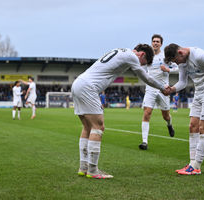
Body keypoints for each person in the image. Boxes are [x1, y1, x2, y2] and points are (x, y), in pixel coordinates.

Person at [71, 44, 170, 179]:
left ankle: (83, 167)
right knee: (98, 127)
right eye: (143, 63)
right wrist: (162, 87)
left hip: (78, 83)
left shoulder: (119, 50)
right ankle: (93, 170)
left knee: (87, 127)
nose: (140, 65)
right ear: (142, 55)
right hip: (88, 87)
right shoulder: (132, 57)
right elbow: (146, 78)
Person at [163, 43, 204, 175]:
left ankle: (196, 166)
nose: (177, 63)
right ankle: (192, 163)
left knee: (203, 128)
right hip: (198, 93)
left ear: (180, 52)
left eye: (176, 60)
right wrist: (172, 89)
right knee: (192, 126)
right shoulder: (182, 62)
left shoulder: (200, 56)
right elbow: (183, 82)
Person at [139, 34, 178, 150]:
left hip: (163, 89)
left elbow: (178, 68)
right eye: (154, 41)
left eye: (158, 41)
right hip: (150, 88)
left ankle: (169, 124)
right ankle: (144, 142)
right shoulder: (148, 56)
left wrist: (168, 70)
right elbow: (142, 68)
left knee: (165, 115)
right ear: (151, 43)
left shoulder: (165, 56)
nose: (155, 43)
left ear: (161, 44)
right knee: (147, 113)